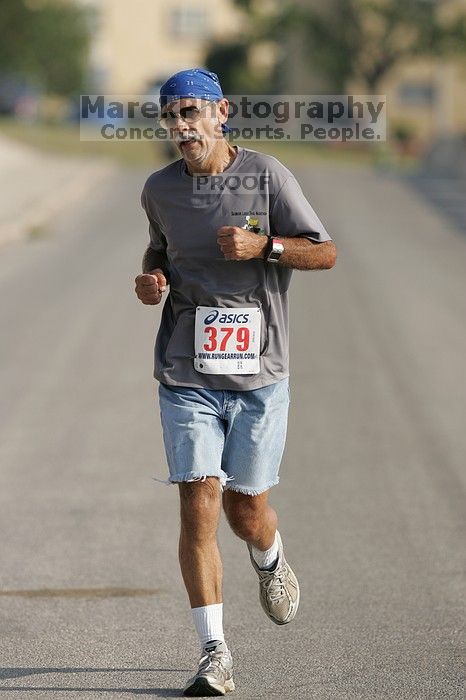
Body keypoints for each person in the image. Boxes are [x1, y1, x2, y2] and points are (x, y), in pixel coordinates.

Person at [135, 69, 336, 697]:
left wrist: (266, 247)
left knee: (244, 510)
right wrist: (152, 281)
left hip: (258, 377)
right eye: (170, 117)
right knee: (198, 504)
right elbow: (157, 252)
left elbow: (324, 251)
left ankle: (270, 556)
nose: (180, 126)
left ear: (222, 112)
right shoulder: (159, 189)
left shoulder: (267, 175)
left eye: (190, 112)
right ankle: (214, 653)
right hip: (185, 371)